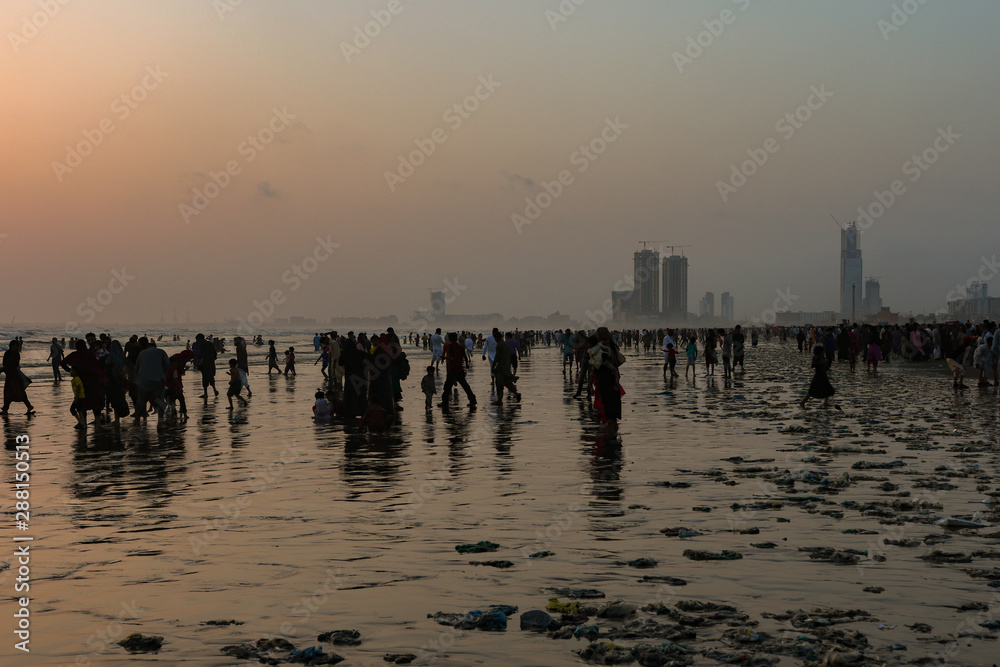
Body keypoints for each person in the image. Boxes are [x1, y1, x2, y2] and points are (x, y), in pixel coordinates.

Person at [589, 327, 623, 431]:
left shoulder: (601, 347)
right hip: (614, 376)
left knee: (607, 400)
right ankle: (613, 423)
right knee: (614, 400)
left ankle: (610, 424)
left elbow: (597, 364)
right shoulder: (612, 345)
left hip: (605, 377)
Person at [134, 338, 170, 428]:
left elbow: (136, 369)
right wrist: (163, 374)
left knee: (141, 402)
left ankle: (137, 422)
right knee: (160, 401)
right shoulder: (161, 352)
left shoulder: (142, 353)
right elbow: (167, 364)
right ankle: (160, 423)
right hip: (158, 381)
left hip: (143, 382)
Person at [440, 332, 477, 408]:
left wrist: (444, 358)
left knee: (447, 387)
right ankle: (472, 400)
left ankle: (445, 402)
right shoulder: (460, 347)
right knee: (465, 386)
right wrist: (466, 365)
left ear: (450, 338)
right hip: (460, 369)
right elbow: (465, 357)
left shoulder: (450, 346)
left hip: (453, 369)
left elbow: (452, 358)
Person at [1, 339, 35, 416]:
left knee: (19, 392)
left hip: (15, 376)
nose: (15, 347)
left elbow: (15, 365)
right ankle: (5, 410)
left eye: (16, 346)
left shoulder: (16, 354)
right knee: (7, 393)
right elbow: (4, 363)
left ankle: (29, 406)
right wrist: (5, 369)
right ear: (10, 346)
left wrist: (5, 368)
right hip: (9, 376)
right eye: (13, 345)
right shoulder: (7, 353)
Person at [491, 330, 519, 406]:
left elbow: (497, 357)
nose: (495, 340)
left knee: (499, 384)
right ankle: (516, 393)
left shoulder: (499, 345)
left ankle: (499, 400)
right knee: (506, 382)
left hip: (501, 367)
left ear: (497, 338)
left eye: (495, 338)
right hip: (506, 366)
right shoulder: (506, 344)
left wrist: (493, 367)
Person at [196, 333, 219, 397]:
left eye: (197, 340)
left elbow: (200, 356)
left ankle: (206, 393)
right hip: (211, 363)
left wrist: (197, 364)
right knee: (211, 377)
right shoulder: (211, 344)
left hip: (205, 364)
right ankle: (215, 390)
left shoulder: (202, 345)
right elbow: (215, 355)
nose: (197, 341)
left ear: (200, 339)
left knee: (205, 378)